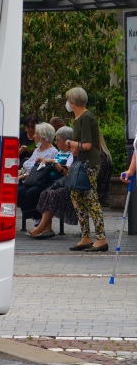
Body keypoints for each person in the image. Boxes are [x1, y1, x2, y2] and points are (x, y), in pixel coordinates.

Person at [65, 87, 108, 252]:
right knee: (77, 198)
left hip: (89, 164)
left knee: (91, 200)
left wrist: (70, 144)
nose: (67, 103)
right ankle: (85, 236)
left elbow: (88, 145)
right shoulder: (78, 118)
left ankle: (101, 238)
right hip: (82, 163)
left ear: (73, 102)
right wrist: (74, 146)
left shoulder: (87, 118)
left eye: (69, 100)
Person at [28, 126, 75, 238]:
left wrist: (54, 162)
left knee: (46, 192)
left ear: (66, 141)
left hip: (63, 183)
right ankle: (45, 227)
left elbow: (67, 173)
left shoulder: (71, 154)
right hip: (53, 181)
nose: (56, 142)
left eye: (58, 140)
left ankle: (42, 227)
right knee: (41, 191)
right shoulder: (59, 152)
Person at [17, 122, 59, 222]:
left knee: (29, 192)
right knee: (18, 190)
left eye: (36, 134)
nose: (33, 135)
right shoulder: (37, 149)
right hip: (29, 179)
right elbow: (28, 166)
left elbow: (40, 171)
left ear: (42, 137)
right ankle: (34, 217)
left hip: (40, 181)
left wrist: (22, 176)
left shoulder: (52, 152)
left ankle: (38, 219)